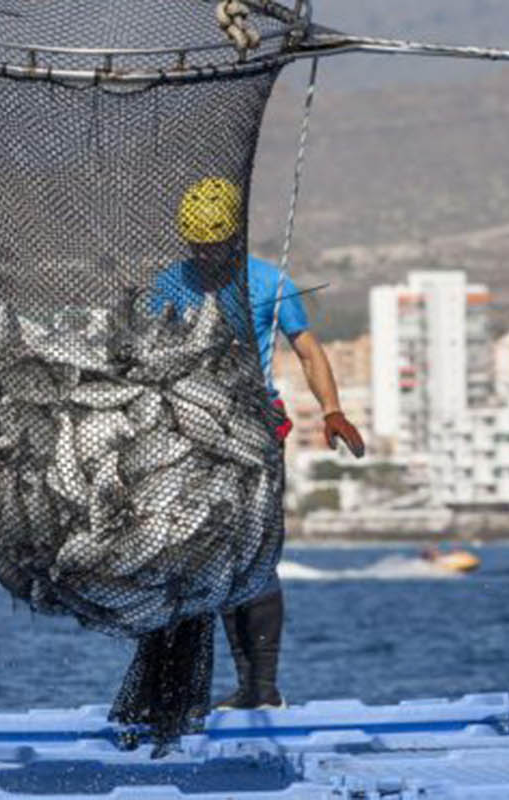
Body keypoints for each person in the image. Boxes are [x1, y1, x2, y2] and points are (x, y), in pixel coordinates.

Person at [155, 177, 367, 710]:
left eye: (213, 243)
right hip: (191, 436)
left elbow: (309, 352)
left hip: (254, 432)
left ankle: (262, 686)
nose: (204, 254)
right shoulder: (170, 285)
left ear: (234, 236)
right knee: (209, 558)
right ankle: (234, 685)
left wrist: (333, 409)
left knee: (255, 555)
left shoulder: (269, 282)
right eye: (196, 244)